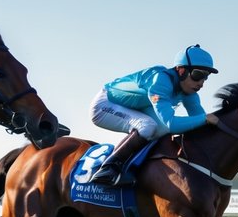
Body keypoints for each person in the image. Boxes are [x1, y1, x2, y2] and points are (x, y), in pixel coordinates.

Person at [88, 44, 220, 187]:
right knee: (148, 125)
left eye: (205, 77)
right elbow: (174, 123)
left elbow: (201, 123)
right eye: (197, 75)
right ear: (181, 70)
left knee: (161, 129)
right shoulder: (161, 80)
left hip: (135, 107)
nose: (201, 83)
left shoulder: (189, 92)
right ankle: (108, 169)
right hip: (104, 105)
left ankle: (139, 167)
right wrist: (205, 119)